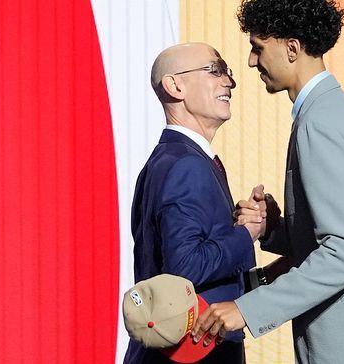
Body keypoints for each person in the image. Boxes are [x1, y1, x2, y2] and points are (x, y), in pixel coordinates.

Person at [192, 1, 344, 363]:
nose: (252, 62)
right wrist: (274, 228)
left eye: (258, 48)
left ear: (291, 49)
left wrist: (247, 309)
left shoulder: (318, 123)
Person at [124, 42, 259, 364]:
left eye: (228, 71)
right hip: (194, 350)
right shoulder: (186, 164)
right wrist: (246, 232)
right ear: (175, 85)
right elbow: (184, 267)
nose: (229, 81)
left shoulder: (177, 158)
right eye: (215, 70)